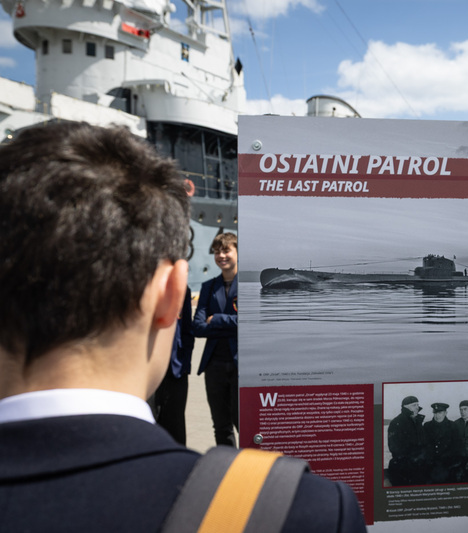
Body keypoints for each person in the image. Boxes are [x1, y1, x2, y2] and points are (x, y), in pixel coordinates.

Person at [0, 122, 365, 532]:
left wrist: (215, 322)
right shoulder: (309, 513)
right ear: (172, 293)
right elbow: (205, 325)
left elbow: (215, 324)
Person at [193, 233, 239, 446]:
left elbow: (250, 323)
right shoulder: (209, 287)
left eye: (226, 250)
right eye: (217, 251)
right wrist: (233, 326)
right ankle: (226, 463)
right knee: (221, 426)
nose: (221, 256)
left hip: (241, 365)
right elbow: (198, 327)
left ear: (238, 252)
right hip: (215, 365)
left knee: (243, 423)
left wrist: (217, 320)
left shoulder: (248, 286)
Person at [153, 286, 194, 444]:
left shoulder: (183, 290)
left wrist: (184, 363)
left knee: (176, 425)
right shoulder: (142, 286)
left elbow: (187, 330)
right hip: (149, 371)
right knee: (149, 423)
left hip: (176, 370)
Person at [387, 395, 428, 486]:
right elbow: (394, 447)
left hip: (420, 467)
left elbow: (423, 443)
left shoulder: (418, 422)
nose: (417, 407)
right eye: (414, 405)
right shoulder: (396, 423)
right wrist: (413, 460)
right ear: (405, 407)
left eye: (417, 405)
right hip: (403, 470)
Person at [423, 402, 461, 483]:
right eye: (435, 413)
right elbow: (425, 446)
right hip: (431, 466)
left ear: (445, 413)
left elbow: (457, 446)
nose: (437, 416)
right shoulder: (427, 426)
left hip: (448, 465)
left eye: (440, 413)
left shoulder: (453, 426)